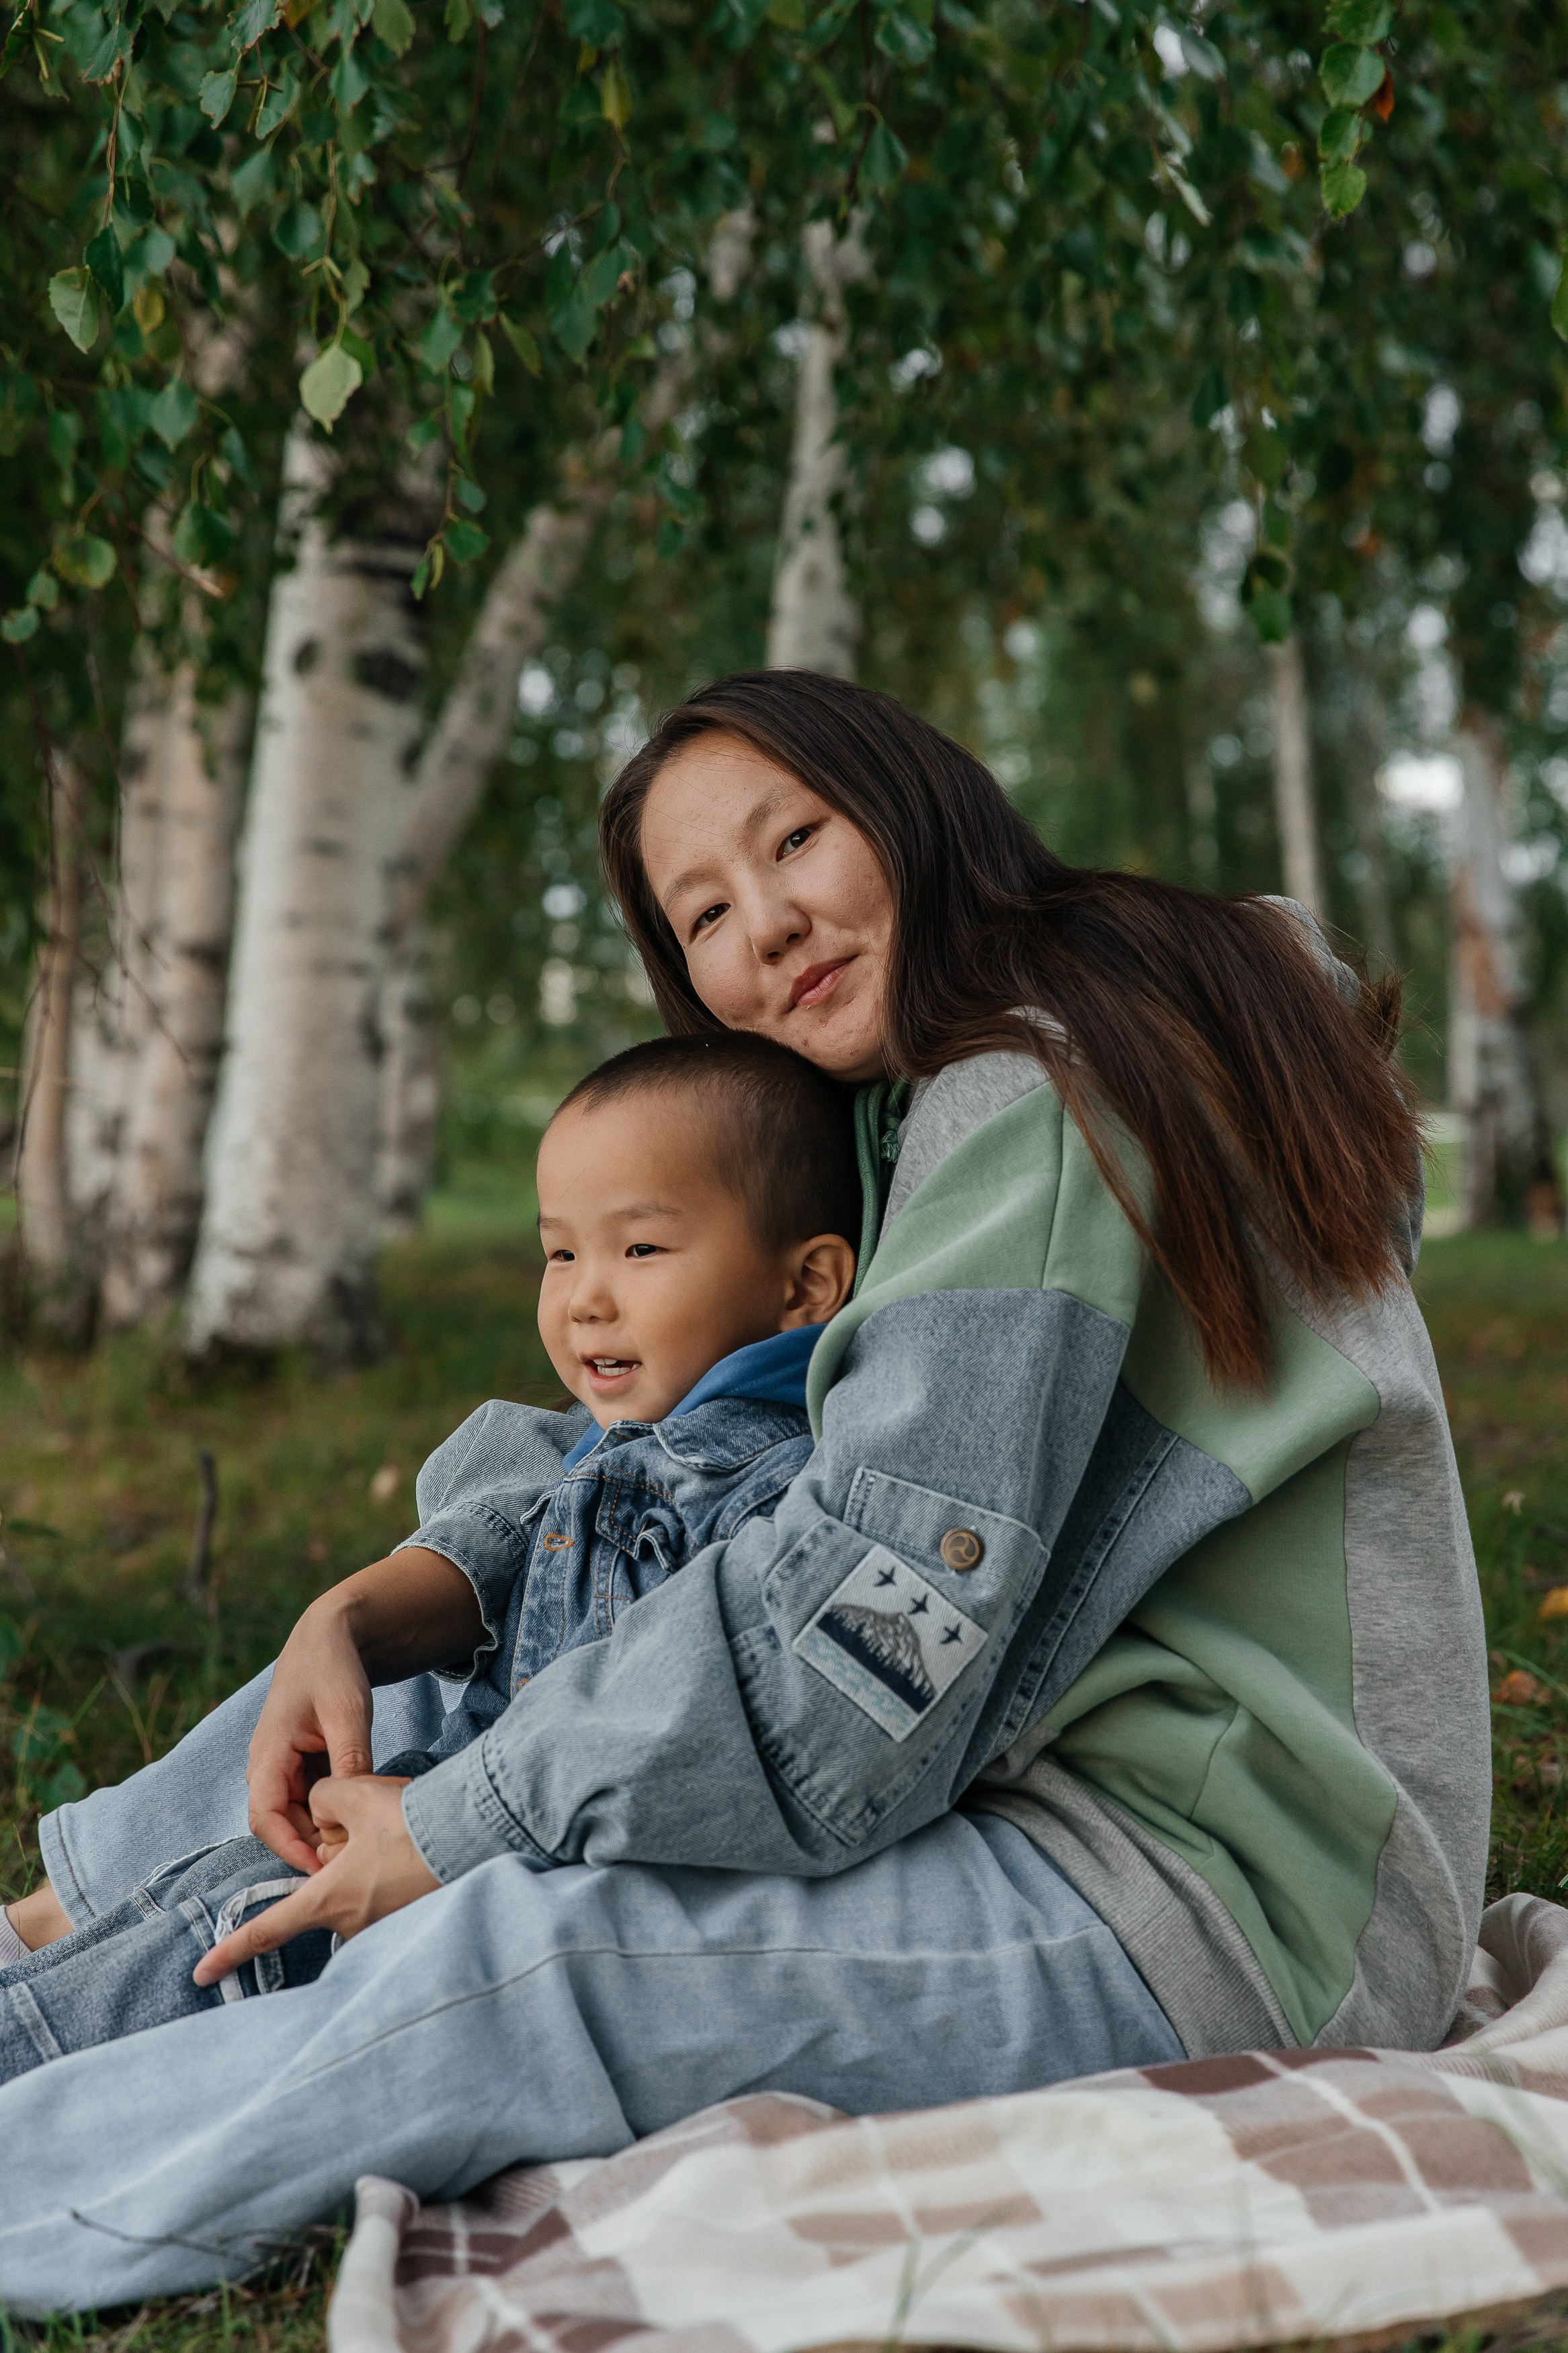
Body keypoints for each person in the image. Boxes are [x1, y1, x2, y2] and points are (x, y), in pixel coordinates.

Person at [0, 671, 1487, 2313]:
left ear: (916, 810)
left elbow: (857, 1652)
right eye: (706, 911)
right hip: (1041, 1783)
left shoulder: (1037, 1093)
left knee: (530, 1953)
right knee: (440, 1704)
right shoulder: (916, 1107)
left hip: (1220, 1893)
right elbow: (665, 1468)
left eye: (799, 840)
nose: (767, 928)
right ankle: (44, 1940)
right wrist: (372, 1601)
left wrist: (463, 1826)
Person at [0, 1032, 858, 2071]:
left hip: (499, 1874)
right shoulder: (629, 1443)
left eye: (639, 1250)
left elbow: (676, 1723)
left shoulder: (762, 1493)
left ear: (805, 1287)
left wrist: (454, 1818)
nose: (586, 1296)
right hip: (432, 1814)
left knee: (207, 1951)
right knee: (197, 1901)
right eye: (560, 1253)